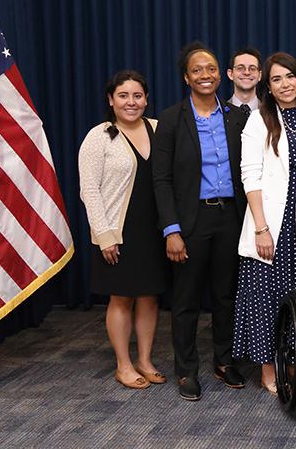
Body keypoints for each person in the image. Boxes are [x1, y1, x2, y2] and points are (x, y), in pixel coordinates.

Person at [153, 42, 248, 401]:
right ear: (186, 77)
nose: (205, 75)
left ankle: (224, 360)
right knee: (187, 299)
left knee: (226, 296)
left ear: (220, 74)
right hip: (191, 221)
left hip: (230, 218)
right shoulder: (172, 119)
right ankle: (186, 370)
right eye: (197, 70)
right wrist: (171, 229)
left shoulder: (237, 117)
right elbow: (160, 180)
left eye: (210, 69)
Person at [235, 52, 296, 394]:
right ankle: (269, 369)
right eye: (276, 79)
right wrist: (261, 228)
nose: (284, 84)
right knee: (266, 296)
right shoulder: (259, 121)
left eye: (289, 77)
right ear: (268, 87)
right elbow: (250, 177)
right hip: (272, 221)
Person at [78, 70, 169, 390]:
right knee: (122, 298)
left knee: (149, 297)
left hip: (154, 230)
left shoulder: (159, 129)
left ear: (146, 99)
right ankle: (123, 364)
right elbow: (89, 190)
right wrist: (104, 236)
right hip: (119, 232)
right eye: (124, 96)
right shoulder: (100, 136)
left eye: (137, 96)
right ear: (111, 100)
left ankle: (144, 360)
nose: (131, 102)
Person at [227, 47, 263, 113]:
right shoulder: (220, 112)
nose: (247, 73)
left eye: (252, 69)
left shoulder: (272, 113)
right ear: (230, 74)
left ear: (260, 75)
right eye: (240, 68)